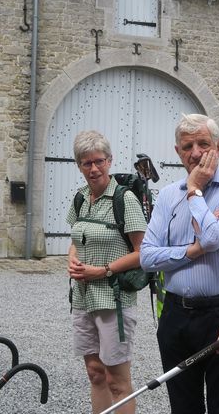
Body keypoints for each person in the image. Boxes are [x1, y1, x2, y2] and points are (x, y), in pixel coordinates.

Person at [140, 114, 219, 414]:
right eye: (187, 146)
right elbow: (147, 257)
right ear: (177, 151)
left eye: (203, 144)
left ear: (218, 146)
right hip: (176, 313)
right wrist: (192, 251)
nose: (195, 153)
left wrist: (195, 191)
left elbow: (214, 237)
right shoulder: (166, 196)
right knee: (183, 406)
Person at [67, 130, 147, 414]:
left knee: (117, 380)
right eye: (86, 163)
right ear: (79, 165)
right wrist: (72, 260)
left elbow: (142, 252)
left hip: (114, 300)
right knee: (95, 372)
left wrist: (103, 271)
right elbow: (76, 239)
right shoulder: (79, 198)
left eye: (99, 161)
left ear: (110, 161)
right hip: (82, 298)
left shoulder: (124, 200)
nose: (94, 169)